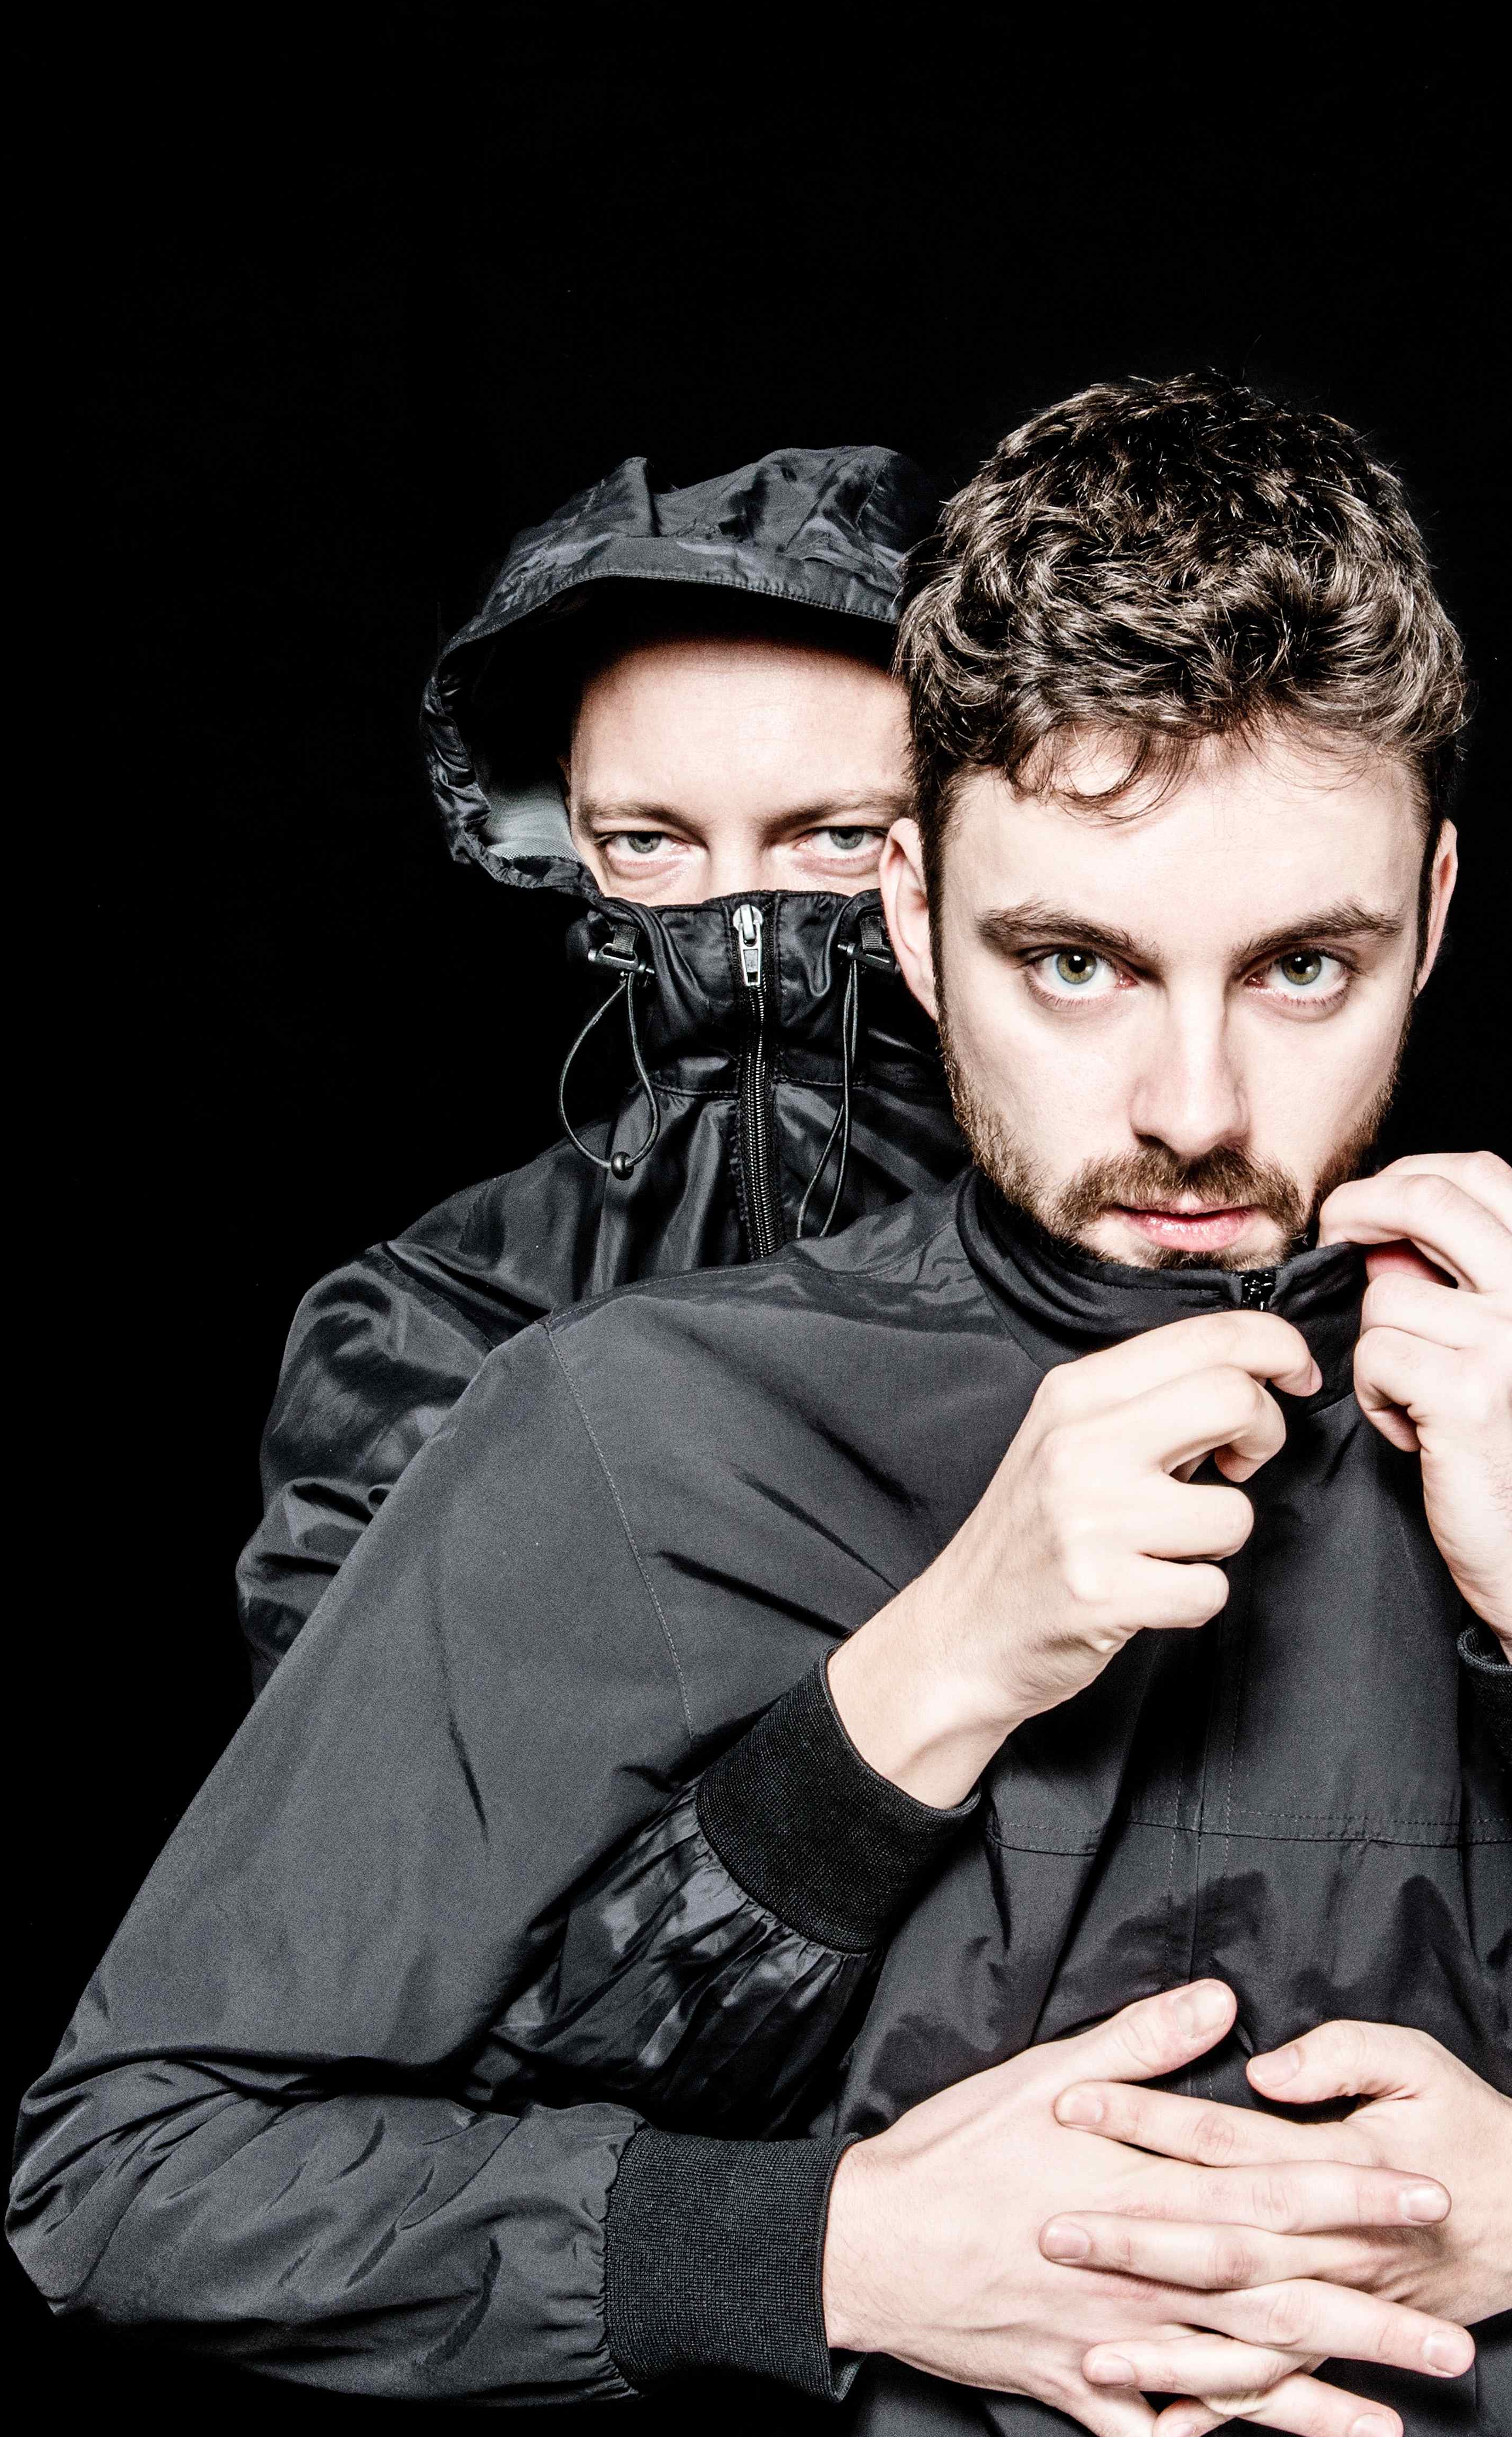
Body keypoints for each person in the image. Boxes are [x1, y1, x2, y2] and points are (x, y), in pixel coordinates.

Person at [13, 375, 1512, 2437]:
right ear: (917, 912)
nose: (1193, 1107)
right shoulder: (624, 1422)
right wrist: (835, 2241)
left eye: (1302, 966)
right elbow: (139, 2176)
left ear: (1436, 914)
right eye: (1078, 962)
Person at [238, 441, 970, 1686]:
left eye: (838, 834)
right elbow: (381, 1777)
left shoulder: (1143, 1223)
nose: (735, 906)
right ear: (567, 837)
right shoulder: (431, 1316)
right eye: (648, 840)